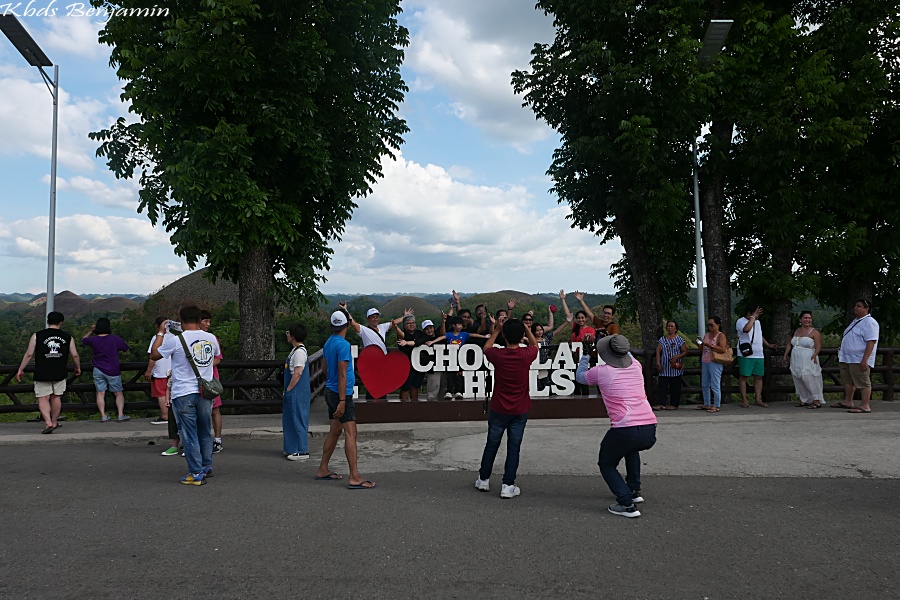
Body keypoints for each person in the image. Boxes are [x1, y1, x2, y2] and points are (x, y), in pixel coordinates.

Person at [576, 334, 657, 518]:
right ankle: (634, 490)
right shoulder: (637, 366)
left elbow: (580, 377)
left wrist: (586, 356)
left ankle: (626, 503)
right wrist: (618, 344)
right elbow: (627, 354)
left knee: (606, 463)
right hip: (649, 425)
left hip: (624, 427)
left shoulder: (602, 372)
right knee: (631, 450)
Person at [150, 306, 221, 486]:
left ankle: (196, 473)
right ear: (199, 320)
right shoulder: (211, 338)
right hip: (205, 391)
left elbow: (155, 355)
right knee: (205, 430)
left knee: (189, 434)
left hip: (183, 392)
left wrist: (160, 333)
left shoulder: (176, 340)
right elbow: (216, 358)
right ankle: (206, 466)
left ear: (181, 320)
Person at [475, 318, 538, 499]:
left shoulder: (498, 355)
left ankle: (484, 479)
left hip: (499, 408)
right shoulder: (526, 354)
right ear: (521, 336)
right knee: (514, 447)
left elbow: (486, 347)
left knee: (492, 443)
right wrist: (527, 329)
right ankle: (508, 485)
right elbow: (535, 345)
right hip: (520, 409)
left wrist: (496, 331)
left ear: (504, 335)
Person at [315, 309, 376, 489]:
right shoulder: (343, 345)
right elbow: (343, 374)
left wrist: (333, 388)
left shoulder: (328, 342)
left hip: (330, 390)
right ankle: (354, 476)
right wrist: (342, 401)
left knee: (335, 430)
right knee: (351, 433)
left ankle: (323, 469)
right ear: (347, 325)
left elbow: (324, 369)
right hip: (341, 394)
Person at [16, 311, 81, 434]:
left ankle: (48, 422)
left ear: (47, 321)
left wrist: (21, 368)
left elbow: (29, 354)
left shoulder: (37, 335)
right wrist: (78, 367)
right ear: (61, 322)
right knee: (56, 397)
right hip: (60, 371)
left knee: (43, 398)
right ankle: (55, 421)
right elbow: (75, 355)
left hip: (42, 371)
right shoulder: (67, 337)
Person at [834, 299, 880, 413]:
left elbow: (871, 342)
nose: (856, 308)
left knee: (863, 381)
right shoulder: (856, 321)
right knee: (849, 380)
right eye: (855, 306)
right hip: (848, 357)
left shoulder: (870, 322)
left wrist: (865, 359)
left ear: (866, 308)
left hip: (858, 357)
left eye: (859, 306)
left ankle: (865, 405)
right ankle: (848, 401)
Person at [427, 314, 489, 398]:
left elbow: (473, 335)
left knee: (459, 375)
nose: (460, 326)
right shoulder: (449, 334)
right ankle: (448, 391)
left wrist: (484, 336)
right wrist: (432, 342)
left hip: (460, 359)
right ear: (453, 325)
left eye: (461, 325)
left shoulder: (464, 334)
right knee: (450, 375)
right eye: (459, 324)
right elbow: (442, 337)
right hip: (450, 359)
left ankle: (458, 391)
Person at [82, 317, 131, 422]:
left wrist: (91, 331)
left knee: (100, 393)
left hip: (98, 369)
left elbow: (84, 339)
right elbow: (126, 349)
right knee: (118, 392)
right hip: (113, 369)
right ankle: (120, 414)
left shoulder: (93, 340)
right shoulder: (114, 338)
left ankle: (103, 416)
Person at [736, 304, 777, 408]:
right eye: (757, 312)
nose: (758, 315)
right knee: (744, 376)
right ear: (750, 312)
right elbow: (746, 329)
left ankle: (758, 399)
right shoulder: (741, 321)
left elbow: (759, 334)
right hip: (746, 353)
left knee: (759, 377)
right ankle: (744, 399)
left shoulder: (757, 322)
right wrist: (753, 318)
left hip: (759, 353)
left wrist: (767, 344)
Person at [782, 311, 825, 409]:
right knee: (797, 377)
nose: (808, 320)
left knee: (808, 377)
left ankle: (816, 400)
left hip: (808, 357)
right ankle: (805, 399)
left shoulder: (814, 332)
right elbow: (790, 343)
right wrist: (785, 355)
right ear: (800, 319)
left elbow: (818, 346)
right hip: (796, 357)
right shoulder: (796, 331)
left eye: (809, 318)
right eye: (805, 318)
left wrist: (815, 354)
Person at [559, 290, 596, 396]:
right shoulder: (575, 328)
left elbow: (592, 338)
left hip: (584, 358)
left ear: (586, 319)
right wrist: (563, 300)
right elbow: (568, 315)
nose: (580, 320)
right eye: (579, 318)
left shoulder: (590, 329)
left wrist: (587, 338)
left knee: (583, 381)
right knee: (574, 381)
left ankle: (585, 403)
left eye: (582, 318)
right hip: (573, 357)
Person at [283, 323, 311, 460]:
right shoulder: (295, 350)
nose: (287, 335)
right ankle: (292, 447)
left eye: (288, 333)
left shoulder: (299, 352)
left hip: (296, 391)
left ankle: (301, 449)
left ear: (293, 336)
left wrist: (288, 389)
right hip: (295, 390)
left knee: (297, 419)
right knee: (291, 419)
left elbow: (298, 373)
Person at [200, 310, 225, 453]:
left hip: (210, 380)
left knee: (215, 410)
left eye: (209, 321)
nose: (208, 324)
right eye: (205, 321)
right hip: (196, 381)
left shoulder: (212, 338)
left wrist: (203, 365)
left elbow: (218, 358)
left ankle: (218, 440)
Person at [654, 320, 687, 411]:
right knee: (662, 386)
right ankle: (661, 403)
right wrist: (658, 362)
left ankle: (674, 404)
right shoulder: (662, 339)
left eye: (672, 326)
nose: (670, 328)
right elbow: (658, 351)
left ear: (676, 328)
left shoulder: (680, 340)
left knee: (675, 386)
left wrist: (677, 356)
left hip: (675, 367)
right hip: (664, 366)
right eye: (668, 326)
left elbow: (685, 351)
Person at [697, 316, 728, 412]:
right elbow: (702, 350)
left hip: (715, 361)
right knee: (705, 384)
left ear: (718, 325)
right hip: (705, 360)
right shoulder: (706, 335)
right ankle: (707, 403)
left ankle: (716, 404)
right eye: (708, 325)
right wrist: (700, 344)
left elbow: (723, 348)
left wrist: (709, 345)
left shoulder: (720, 335)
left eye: (711, 325)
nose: (709, 327)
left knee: (715, 384)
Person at [145, 316, 171, 424]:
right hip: (172, 370)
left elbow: (153, 356)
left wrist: (149, 370)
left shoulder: (156, 338)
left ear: (157, 326)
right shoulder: (175, 337)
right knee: (169, 393)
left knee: (161, 394)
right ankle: (172, 415)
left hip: (160, 371)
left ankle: (165, 416)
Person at [395, 315, 425, 401]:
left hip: (418, 364)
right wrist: (396, 327)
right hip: (406, 365)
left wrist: (410, 342)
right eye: (408, 323)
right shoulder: (402, 334)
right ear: (404, 325)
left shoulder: (419, 333)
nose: (411, 325)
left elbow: (425, 338)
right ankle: (403, 406)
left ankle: (414, 407)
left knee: (415, 386)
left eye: (413, 323)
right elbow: (401, 335)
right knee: (405, 387)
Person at [419, 319, 446, 401]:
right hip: (432, 368)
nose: (429, 330)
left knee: (443, 388)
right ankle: (431, 409)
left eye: (431, 328)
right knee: (433, 389)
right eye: (427, 329)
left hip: (444, 365)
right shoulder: (423, 340)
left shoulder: (439, 336)